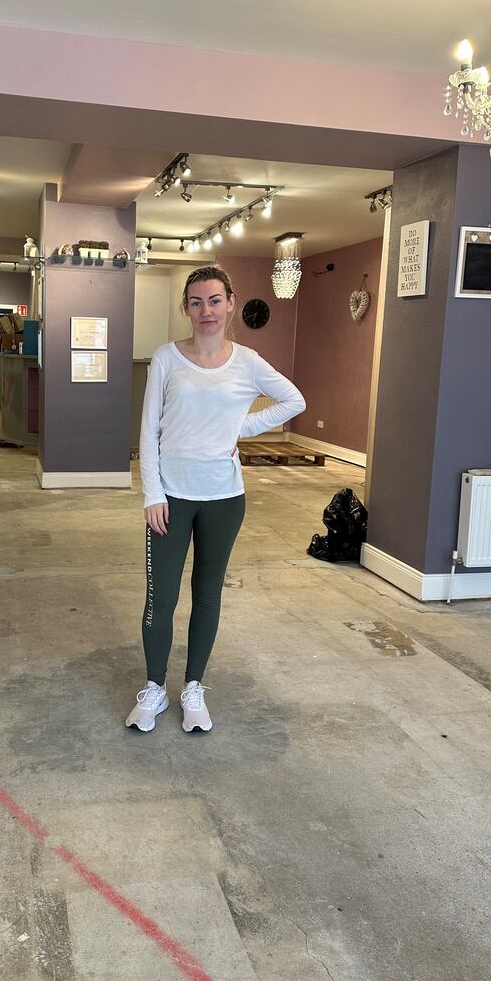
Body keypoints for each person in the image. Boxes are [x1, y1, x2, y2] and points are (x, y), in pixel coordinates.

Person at [126, 265, 306, 734]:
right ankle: (154, 688)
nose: (205, 310)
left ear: (230, 303)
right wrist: (152, 492)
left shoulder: (247, 361)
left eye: (213, 300)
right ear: (185, 307)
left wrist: (239, 429)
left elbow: (294, 401)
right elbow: (149, 430)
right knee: (159, 598)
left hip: (224, 499)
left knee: (207, 595)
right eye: (196, 302)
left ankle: (193, 688)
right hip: (171, 499)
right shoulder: (167, 358)